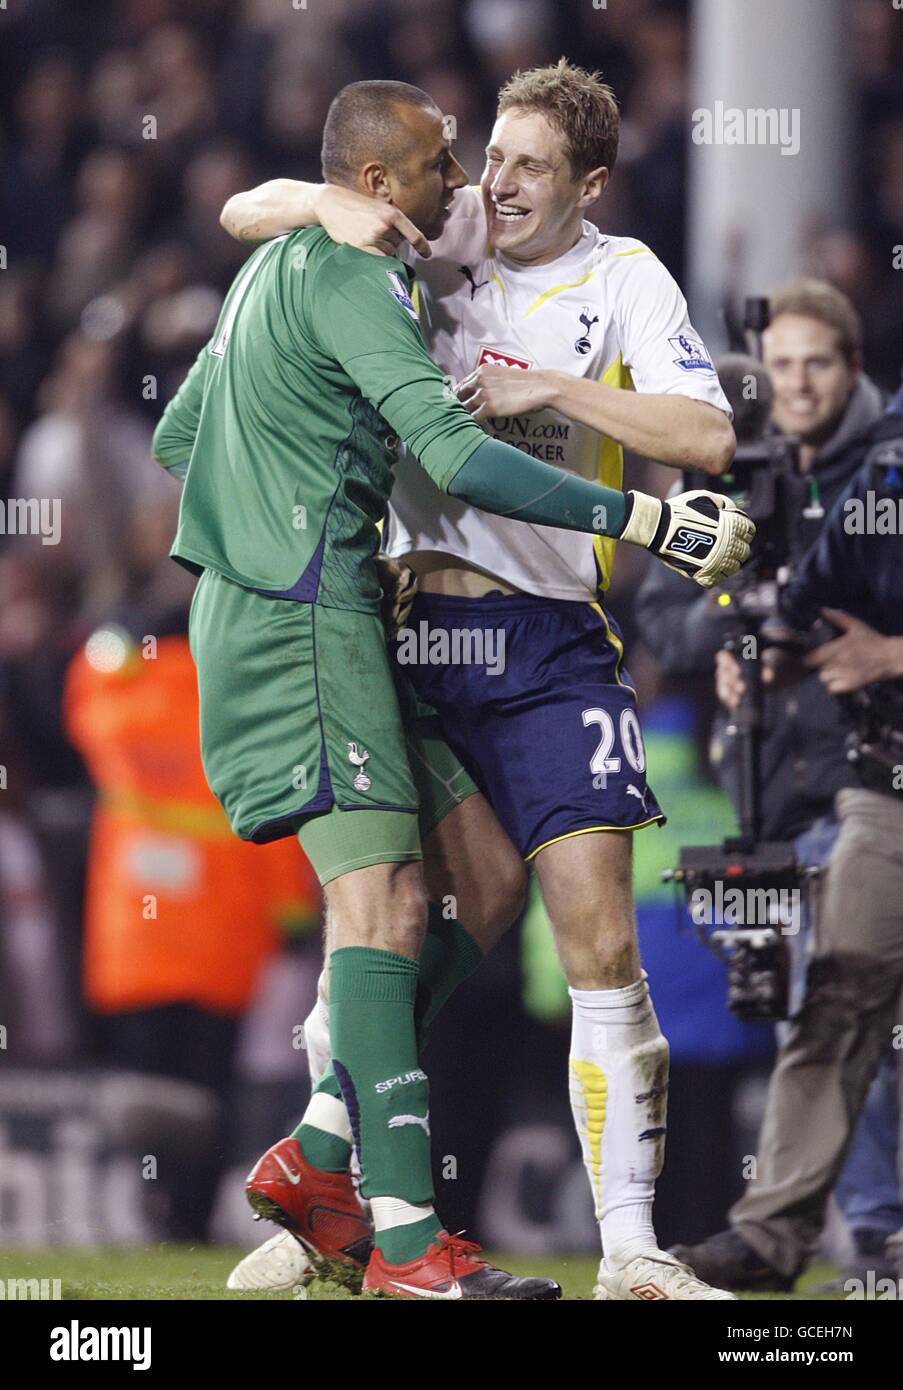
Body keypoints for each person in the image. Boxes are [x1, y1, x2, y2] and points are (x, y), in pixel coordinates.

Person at [220, 61, 746, 1300]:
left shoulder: (624, 280)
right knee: (414, 920)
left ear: (590, 185)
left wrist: (553, 388)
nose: (493, 186)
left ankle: (629, 1254)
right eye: (491, 156)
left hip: (550, 643)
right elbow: (244, 210)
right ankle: (330, 1186)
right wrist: (317, 198)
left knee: (600, 943)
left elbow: (708, 438)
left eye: (526, 168)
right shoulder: (436, 225)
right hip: (402, 629)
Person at [636, 280, 903, 1284]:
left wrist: (887, 654)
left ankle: (870, 1227)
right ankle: (839, 1235)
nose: (795, 383)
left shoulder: (882, 470)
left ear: (852, 367)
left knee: (839, 1002)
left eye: (816, 364)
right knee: (825, 1000)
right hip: (802, 792)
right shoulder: (741, 469)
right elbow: (668, 608)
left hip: (860, 771)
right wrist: (751, 635)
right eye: (780, 365)